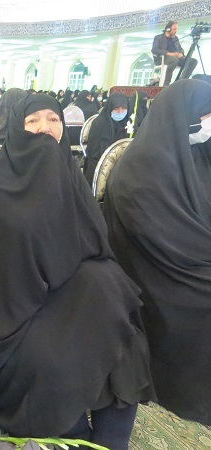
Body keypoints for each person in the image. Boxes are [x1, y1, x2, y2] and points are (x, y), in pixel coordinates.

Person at [0, 93, 155, 450]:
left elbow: (92, 242)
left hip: (62, 293)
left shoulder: (68, 172)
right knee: (57, 357)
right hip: (10, 314)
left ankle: (110, 439)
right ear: (17, 127)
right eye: (33, 121)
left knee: (122, 329)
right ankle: (72, 430)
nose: (44, 127)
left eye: (53, 119)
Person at [103, 79, 211, 426]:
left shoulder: (197, 154)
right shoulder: (140, 167)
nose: (209, 123)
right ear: (182, 116)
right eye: (206, 114)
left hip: (190, 256)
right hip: (157, 269)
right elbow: (164, 236)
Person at [82, 93, 130, 186]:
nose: (120, 112)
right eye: (116, 109)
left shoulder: (128, 124)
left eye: (123, 108)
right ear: (110, 108)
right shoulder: (99, 124)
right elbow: (94, 153)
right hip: (99, 167)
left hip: (121, 167)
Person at [152, 21, 198, 86]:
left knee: (193, 61)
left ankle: (181, 80)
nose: (175, 31)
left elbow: (180, 49)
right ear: (168, 29)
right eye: (174, 29)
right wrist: (169, 53)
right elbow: (154, 50)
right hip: (163, 58)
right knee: (174, 60)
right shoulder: (158, 37)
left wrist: (181, 54)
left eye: (176, 29)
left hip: (176, 58)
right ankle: (166, 83)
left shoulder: (175, 38)